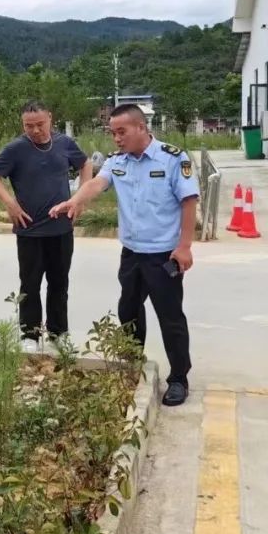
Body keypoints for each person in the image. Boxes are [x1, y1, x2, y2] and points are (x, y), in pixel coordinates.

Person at [49, 103, 199, 406]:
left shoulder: (172, 159)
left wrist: (184, 246)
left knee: (170, 318)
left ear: (141, 128)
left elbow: (189, 201)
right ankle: (131, 363)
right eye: (113, 133)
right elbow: (96, 183)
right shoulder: (118, 161)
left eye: (122, 131)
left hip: (163, 255)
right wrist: (75, 200)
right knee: (128, 311)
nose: (116, 139)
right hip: (131, 254)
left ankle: (179, 378)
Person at [0, 101, 91, 352]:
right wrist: (10, 203)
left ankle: (58, 333)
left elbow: (85, 164)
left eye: (40, 124)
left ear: (50, 119)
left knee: (59, 282)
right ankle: (30, 334)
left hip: (61, 229)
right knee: (29, 283)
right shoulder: (16, 149)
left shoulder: (64, 144)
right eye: (28, 126)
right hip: (29, 229)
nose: (35, 130)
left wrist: (80, 199)